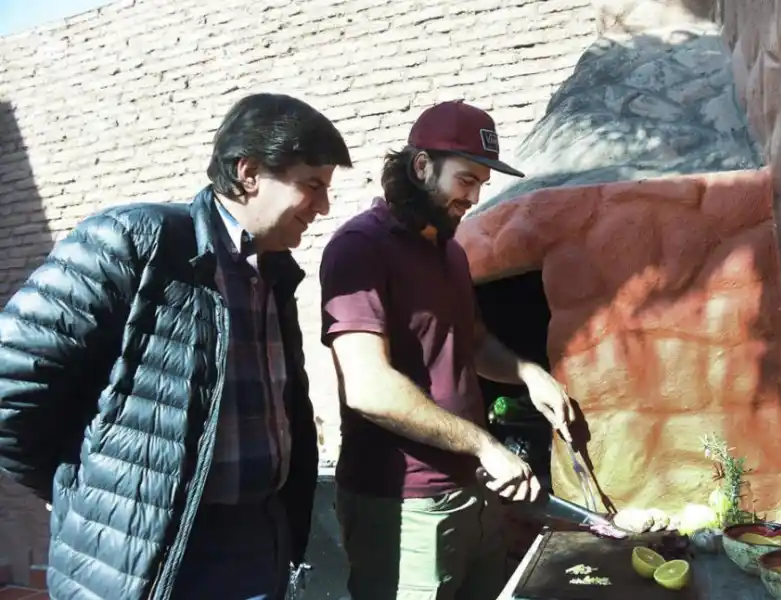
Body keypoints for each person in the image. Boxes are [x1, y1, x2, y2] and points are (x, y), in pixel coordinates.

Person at [0, 93, 352, 600]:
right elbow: (13, 380)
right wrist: (81, 486)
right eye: (312, 185)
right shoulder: (134, 242)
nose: (323, 206)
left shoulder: (275, 273)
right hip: (155, 552)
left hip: (261, 543)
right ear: (249, 172)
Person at [319, 100, 622, 600]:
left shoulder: (451, 253)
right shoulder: (358, 247)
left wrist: (528, 373)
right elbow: (368, 387)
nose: (474, 196)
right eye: (466, 180)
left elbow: (474, 341)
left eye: (482, 183)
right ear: (421, 166)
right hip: (403, 504)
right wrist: (485, 445)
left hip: (474, 491)